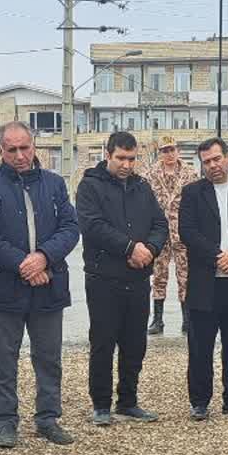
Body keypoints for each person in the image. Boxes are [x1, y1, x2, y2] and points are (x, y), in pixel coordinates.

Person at [0, 121, 80, 448]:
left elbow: (70, 228)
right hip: (5, 287)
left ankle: (48, 418)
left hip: (49, 284)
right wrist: (24, 263)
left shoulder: (55, 184)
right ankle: (6, 421)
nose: (20, 155)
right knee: (3, 358)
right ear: (0, 150)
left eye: (25, 148)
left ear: (34, 146)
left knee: (48, 357)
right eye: (12, 150)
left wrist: (44, 257)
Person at [75, 130, 168, 425]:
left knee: (134, 343)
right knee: (103, 342)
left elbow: (159, 223)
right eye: (121, 159)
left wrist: (150, 249)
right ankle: (101, 404)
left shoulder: (142, 187)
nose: (127, 165)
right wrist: (129, 247)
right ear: (108, 155)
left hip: (138, 278)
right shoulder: (90, 186)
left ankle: (128, 401)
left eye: (132, 159)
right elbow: (93, 226)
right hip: (104, 278)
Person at [178, 137, 228, 420]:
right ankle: (199, 401)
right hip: (205, 282)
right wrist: (217, 256)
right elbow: (187, 232)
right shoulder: (192, 193)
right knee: (200, 347)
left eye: (216, 159)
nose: (212, 165)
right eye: (206, 161)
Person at [145, 133, 191, 335]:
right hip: (160, 232)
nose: (169, 154)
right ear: (159, 153)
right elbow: (144, 204)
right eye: (165, 150)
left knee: (185, 275)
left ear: (177, 150)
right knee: (159, 276)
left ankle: (187, 320)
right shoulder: (150, 175)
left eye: (172, 149)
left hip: (182, 231)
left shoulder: (190, 173)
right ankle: (158, 320)